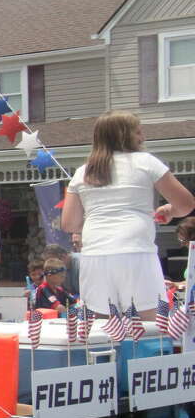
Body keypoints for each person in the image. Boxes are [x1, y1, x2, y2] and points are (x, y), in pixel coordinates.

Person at [61, 111, 195, 317]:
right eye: (138, 131)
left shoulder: (84, 171)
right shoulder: (146, 162)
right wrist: (169, 210)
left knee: (103, 326)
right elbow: (186, 204)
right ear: (125, 135)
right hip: (136, 249)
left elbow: (69, 223)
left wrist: (99, 222)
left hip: (95, 252)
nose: (142, 137)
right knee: (150, 323)